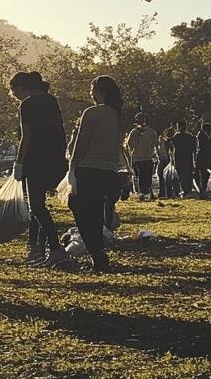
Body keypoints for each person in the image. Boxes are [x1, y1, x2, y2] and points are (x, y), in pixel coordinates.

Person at [67, 76, 127, 273]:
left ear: (100, 91)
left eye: (92, 90)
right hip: (108, 172)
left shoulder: (92, 113)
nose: (90, 94)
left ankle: (98, 257)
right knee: (95, 214)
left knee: (80, 209)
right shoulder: (117, 116)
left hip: (89, 169)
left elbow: (81, 143)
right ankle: (98, 255)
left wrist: (72, 168)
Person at [11, 71, 70, 267]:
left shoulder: (27, 105)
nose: (13, 94)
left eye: (13, 90)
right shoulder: (51, 101)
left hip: (35, 160)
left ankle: (54, 248)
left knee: (36, 206)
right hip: (55, 159)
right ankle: (37, 247)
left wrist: (19, 162)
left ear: (21, 87)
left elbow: (26, 136)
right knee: (39, 207)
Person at [124, 114, 160, 201]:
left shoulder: (135, 132)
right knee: (146, 176)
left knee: (141, 176)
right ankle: (146, 192)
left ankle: (143, 193)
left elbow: (128, 144)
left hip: (140, 158)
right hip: (146, 158)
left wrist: (132, 152)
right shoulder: (151, 132)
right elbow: (156, 144)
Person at [170, 121, 197, 198]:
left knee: (182, 176)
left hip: (180, 159)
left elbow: (173, 147)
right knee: (187, 175)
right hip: (187, 158)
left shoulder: (176, 136)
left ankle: (184, 190)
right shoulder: (189, 137)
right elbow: (193, 148)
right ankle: (187, 190)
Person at [194, 122, 211, 198]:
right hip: (204, 159)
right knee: (204, 176)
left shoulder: (201, 136)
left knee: (203, 176)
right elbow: (206, 147)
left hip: (202, 159)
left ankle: (202, 191)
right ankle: (202, 191)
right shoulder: (202, 137)